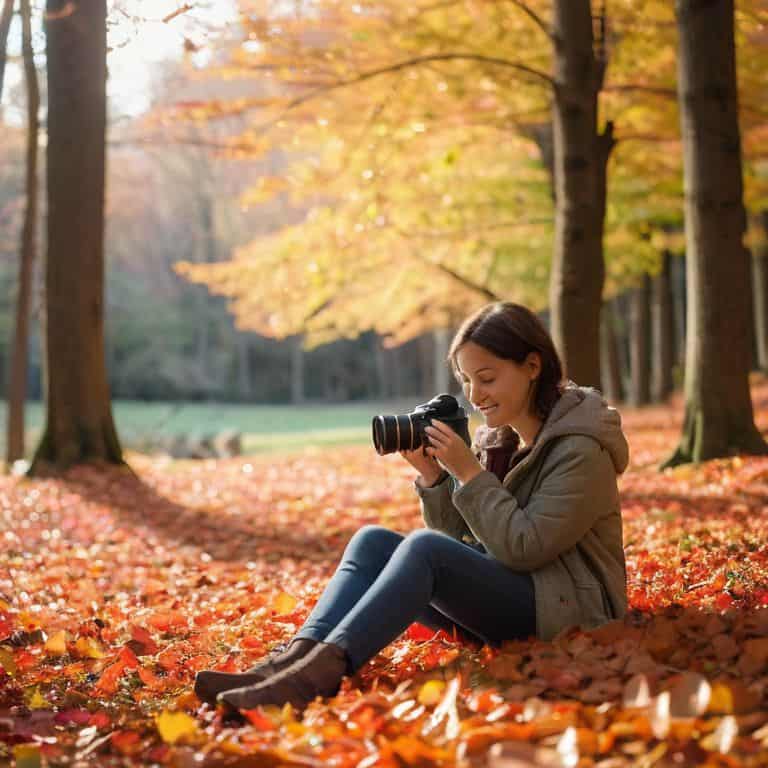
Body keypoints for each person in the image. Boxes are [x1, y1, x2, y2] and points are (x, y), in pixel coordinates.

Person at [194, 301, 630, 715]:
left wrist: (469, 474)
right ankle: (284, 666)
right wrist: (435, 478)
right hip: (515, 596)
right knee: (372, 542)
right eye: (466, 381)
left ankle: (312, 679)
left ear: (532, 367)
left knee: (422, 550)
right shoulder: (500, 441)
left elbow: (524, 547)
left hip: (569, 612)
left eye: (488, 378)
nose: (475, 395)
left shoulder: (579, 450)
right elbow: (463, 539)